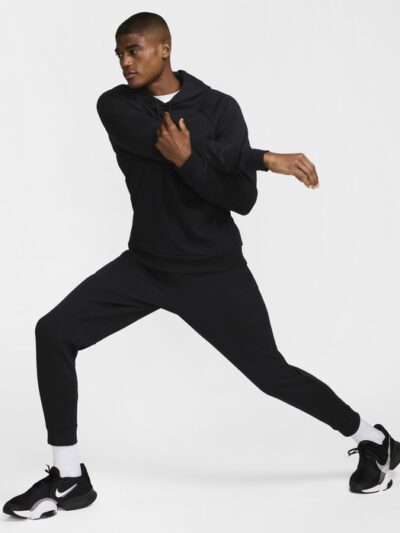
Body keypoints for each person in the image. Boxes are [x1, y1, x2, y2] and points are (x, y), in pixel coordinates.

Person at [3, 11, 400, 521]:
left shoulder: (218, 107)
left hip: (215, 271)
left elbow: (241, 200)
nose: (125, 62)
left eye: (134, 50)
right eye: (119, 54)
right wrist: (261, 157)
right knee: (54, 332)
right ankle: (69, 477)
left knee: (272, 375)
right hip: (146, 266)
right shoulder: (117, 105)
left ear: (164, 48)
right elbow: (164, 143)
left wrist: (191, 161)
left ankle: (374, 439)